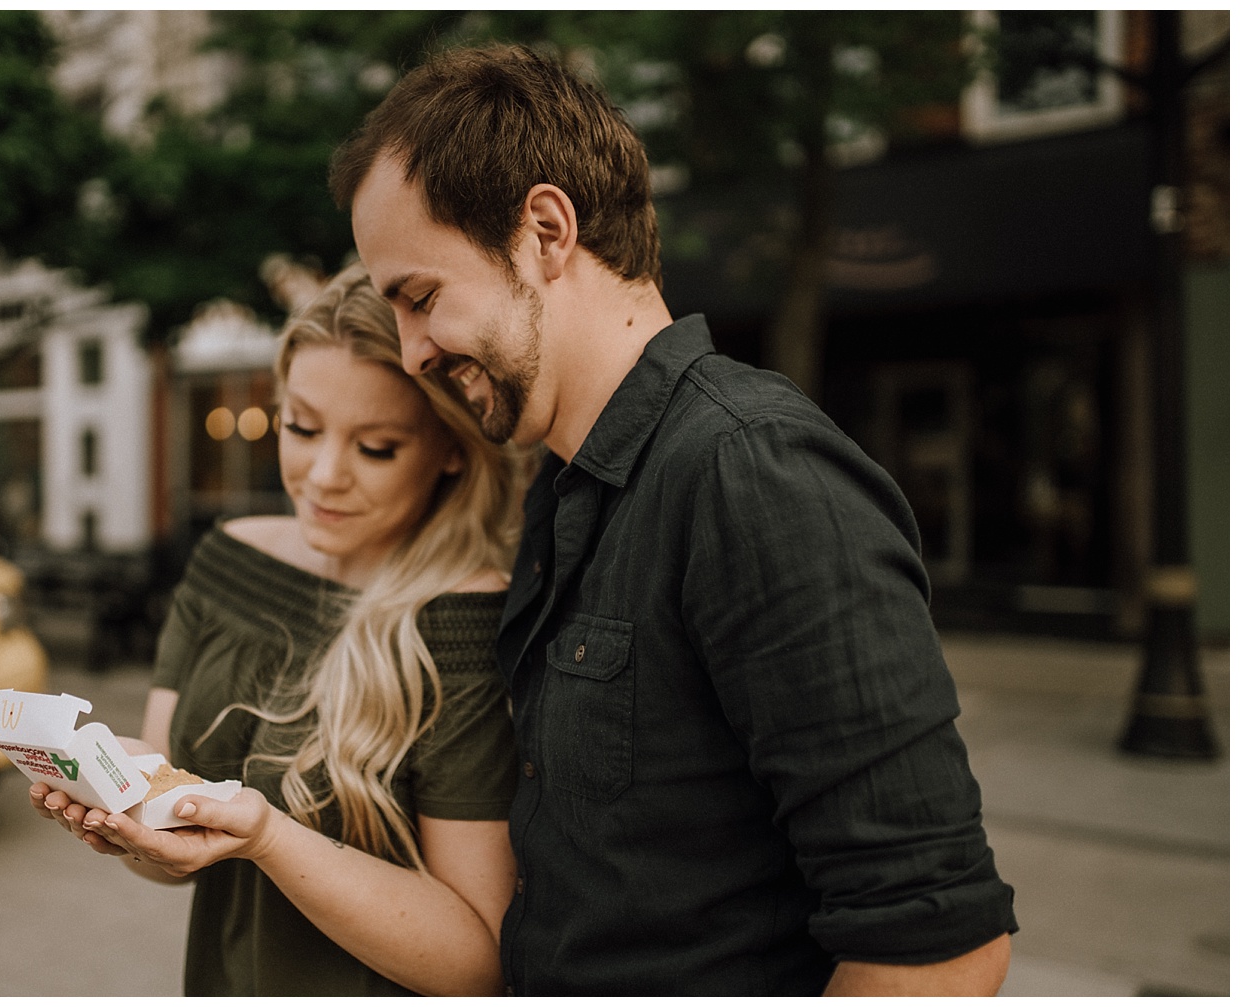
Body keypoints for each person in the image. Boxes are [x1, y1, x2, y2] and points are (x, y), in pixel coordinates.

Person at [330, 43, 1018, 996]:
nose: (411, 353)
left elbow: (937, 944)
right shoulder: (567, 486)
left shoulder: (749, 470)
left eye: (420, 296)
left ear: (544, 230)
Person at [29, 262, 525, 996]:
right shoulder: (227, 563)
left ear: (452, 449)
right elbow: (169, 851)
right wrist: (127, 807)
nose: (323, 474)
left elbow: (476, 959)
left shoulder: (465, 624)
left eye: (376, 446)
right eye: (300, 426)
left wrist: (268, 837)